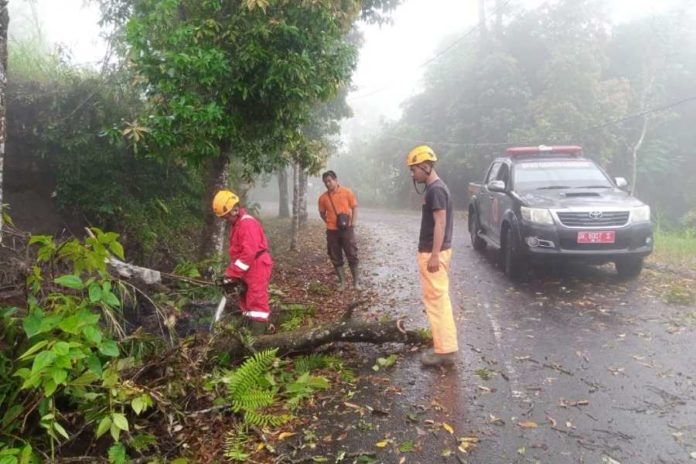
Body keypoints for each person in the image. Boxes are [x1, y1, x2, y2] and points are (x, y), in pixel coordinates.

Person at [406, 145, 458, 367]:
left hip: (433, 253)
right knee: (437, 299)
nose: (413, 174)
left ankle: (445, 352)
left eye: (414, 169)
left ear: (425, 166)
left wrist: (434, 255)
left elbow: (440, 222)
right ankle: (443, 345)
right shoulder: (435, 188)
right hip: (432, 251)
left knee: (437, 301)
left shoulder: (436, 190)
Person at [212, 190, 273, 334]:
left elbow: (248, 254)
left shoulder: (247, 224)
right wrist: (231, 274)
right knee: (245, 301)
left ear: (234, 210)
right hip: (249, 267)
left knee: (256, 301)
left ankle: (258, 341)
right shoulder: (237, 224)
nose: (225, 219)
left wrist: (231, 274)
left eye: (226, 216)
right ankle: (248, 333)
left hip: (257, 266)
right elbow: (239, 254)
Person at [317, 170, 360, 290]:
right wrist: (329, 222)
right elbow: (321, 213)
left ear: (336, 180)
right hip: (332, 232)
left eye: (330, 181)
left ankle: (356, 283)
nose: (328, 184)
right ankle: (342, 283)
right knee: (335, 256)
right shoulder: (323, 198)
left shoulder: (347, 192)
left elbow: (355, 207)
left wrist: (353, 224)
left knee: (352, 254)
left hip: (347, 229)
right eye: (325, 182)